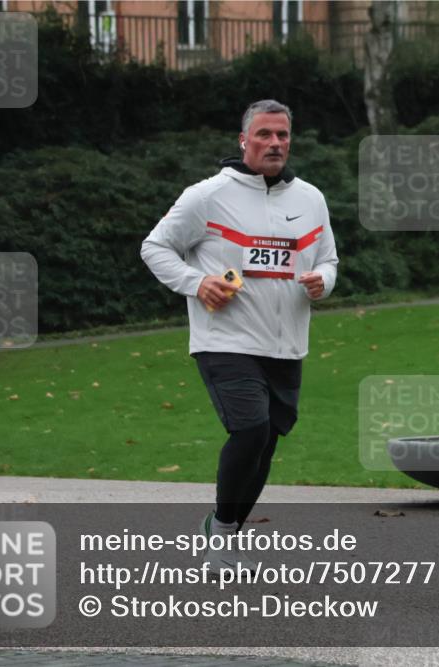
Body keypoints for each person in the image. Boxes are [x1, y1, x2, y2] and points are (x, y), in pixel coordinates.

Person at [141, 99, 338, 574]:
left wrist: (324, 281)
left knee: (266, 441)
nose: (275, 143)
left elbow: (328, 259)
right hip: (224, 340)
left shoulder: (310, 198)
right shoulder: (208, 195)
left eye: (282, 135)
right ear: (244, 140)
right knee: (250, 430)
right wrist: (196, 282)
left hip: (287, 343)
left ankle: (225, 530)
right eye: (264, 134)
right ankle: (223, 535)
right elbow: (155, 246)